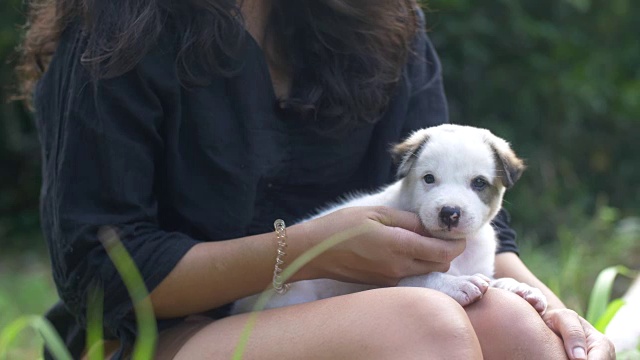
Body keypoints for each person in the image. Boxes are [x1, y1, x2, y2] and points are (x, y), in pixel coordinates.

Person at [19, 0, 615, 359]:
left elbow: (475, 216)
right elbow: (100, 273)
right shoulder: (117, 29)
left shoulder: (385, 23)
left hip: (378, 303)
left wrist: (561, 317)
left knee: (523, 336)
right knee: (423, 329)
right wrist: (314, 251)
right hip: (168, 334)